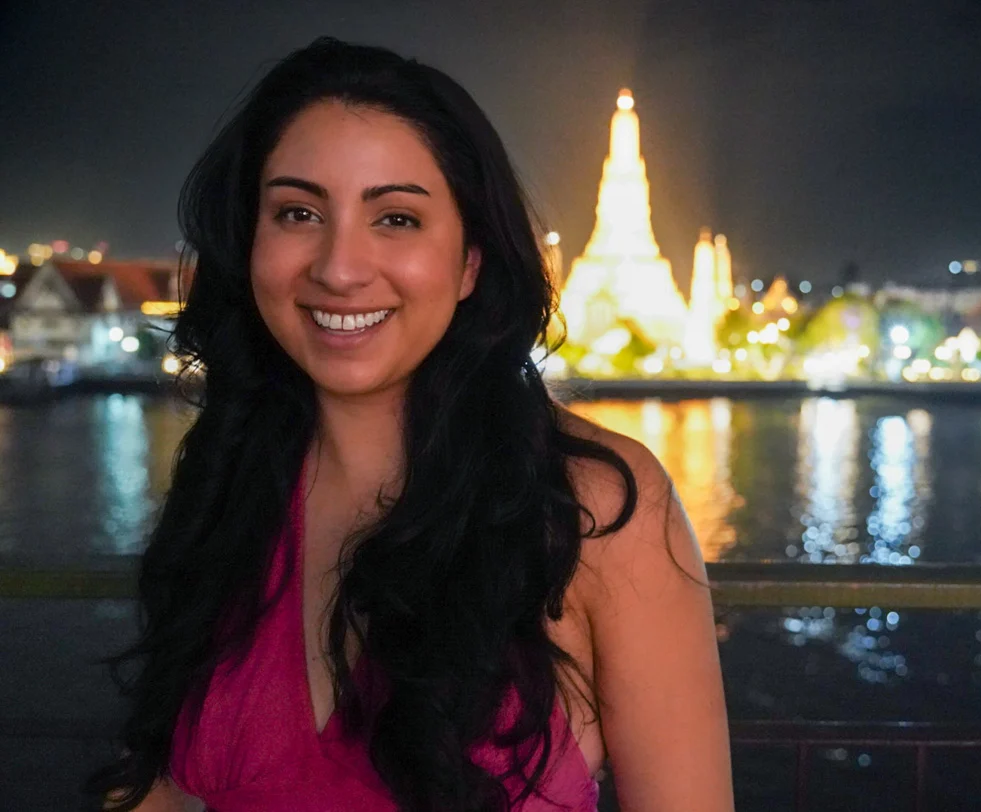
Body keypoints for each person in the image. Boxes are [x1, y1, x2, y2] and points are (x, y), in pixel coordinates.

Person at [88, 37, 733, 812]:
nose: (340, 267)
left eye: (396, 218)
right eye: (298, 212)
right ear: (248, 242)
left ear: (470, 262)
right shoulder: (231, 485)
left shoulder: (594, 510)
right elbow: (154, 778)